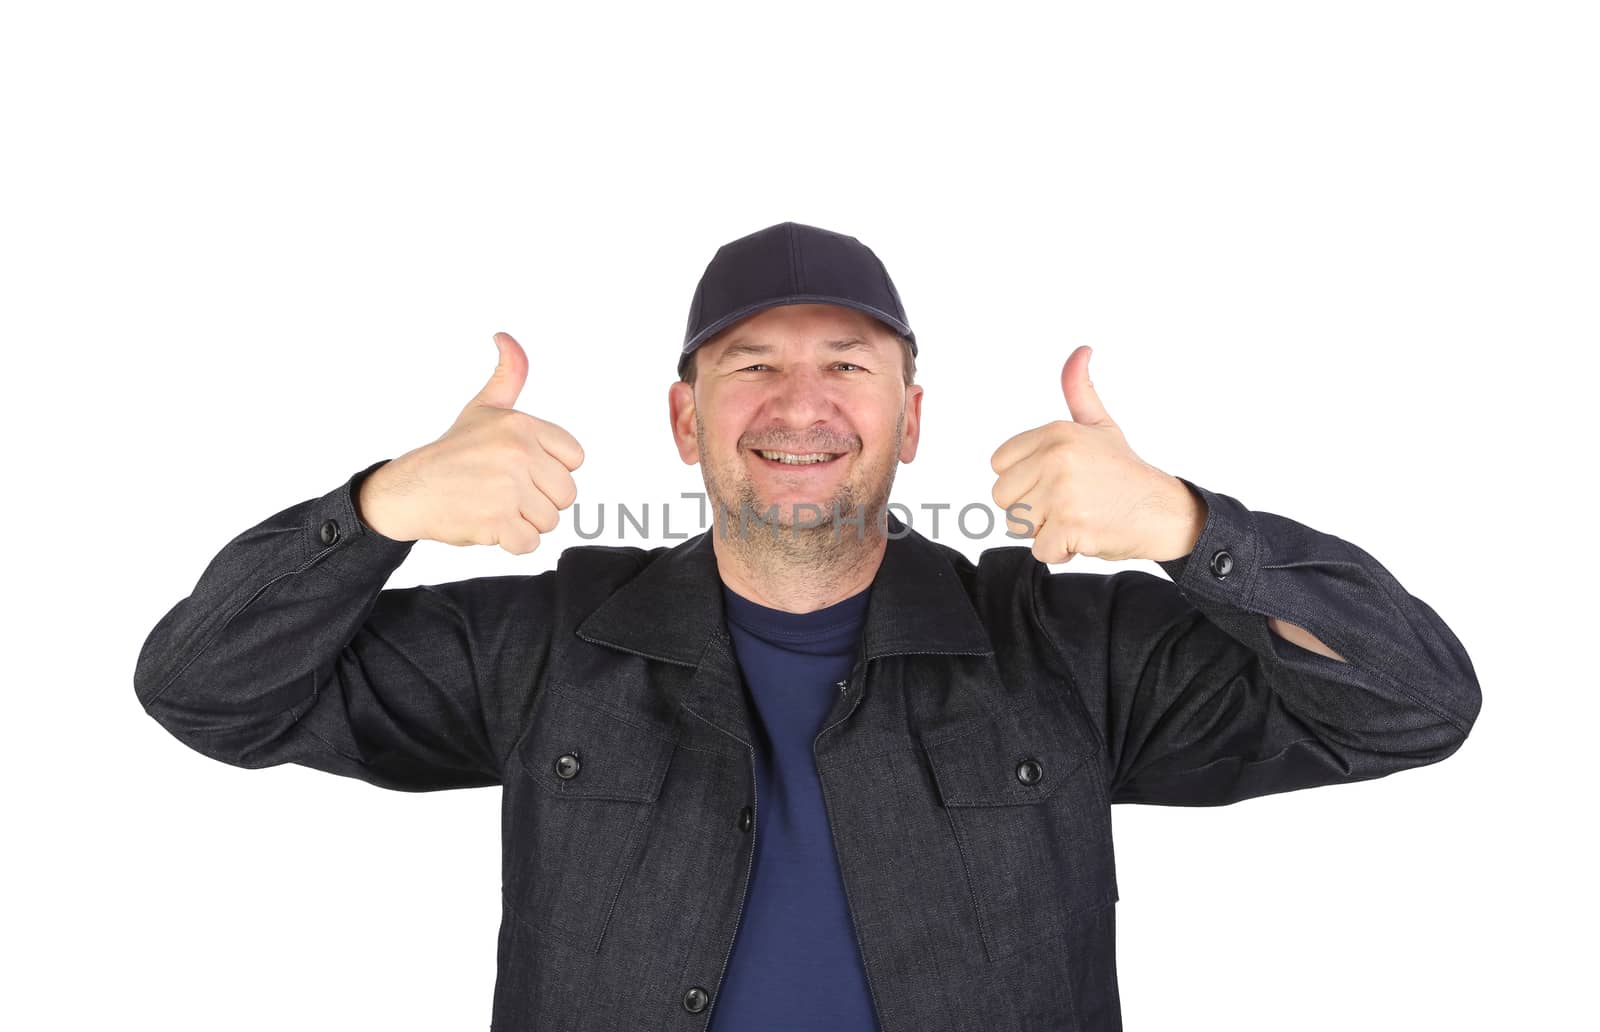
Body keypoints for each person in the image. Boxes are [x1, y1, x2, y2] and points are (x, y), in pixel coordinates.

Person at [133, 221, 1482, 1031]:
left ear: (911, 417)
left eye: (847, 366)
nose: (799, 405)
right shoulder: (553, 642)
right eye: (751, 367)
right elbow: (210, 693)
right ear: (683, 417)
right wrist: (378, 510)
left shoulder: (1071, 650)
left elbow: (1413, 705)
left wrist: (1196, 531)